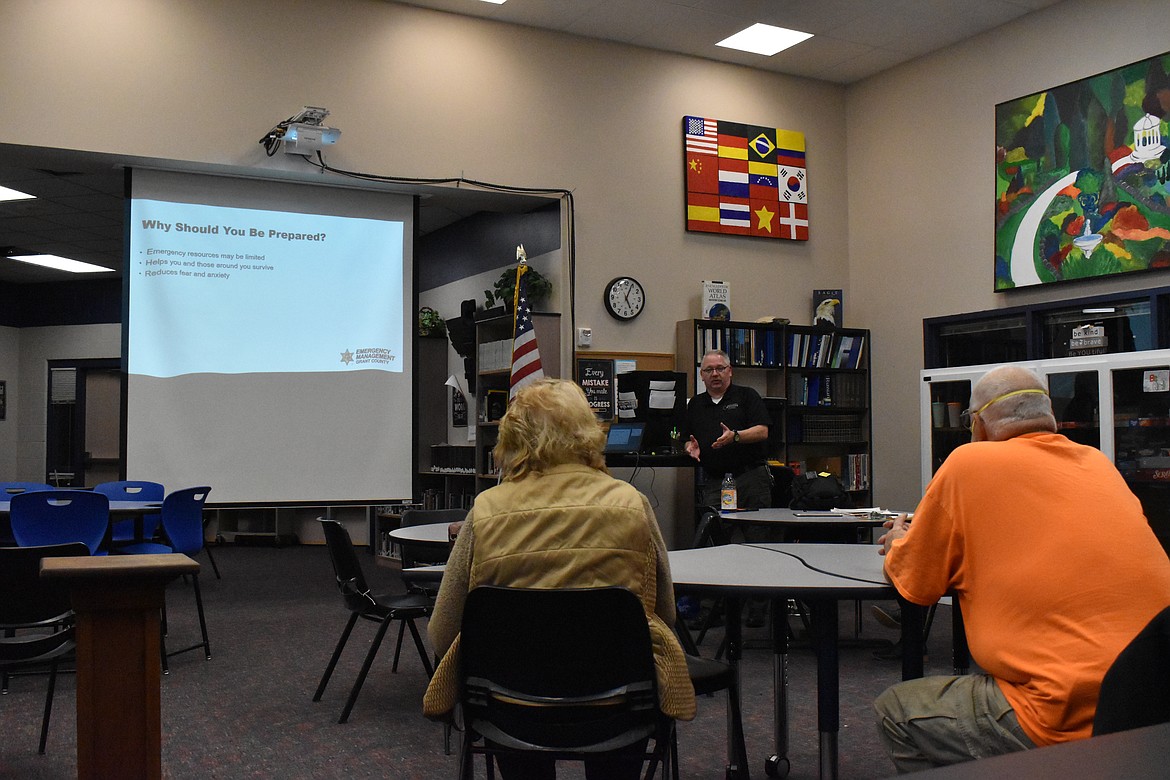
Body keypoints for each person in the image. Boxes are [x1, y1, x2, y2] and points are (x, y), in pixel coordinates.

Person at [874, 365, 1170, 773]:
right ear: (1048, 416)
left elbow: (918, 583)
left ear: (977, 424)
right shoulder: (1097, 463)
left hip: (1063, 712)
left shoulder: (967, 463)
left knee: (898, 711)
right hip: (1154, 702)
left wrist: (898, 542)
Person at [423, 378, 695, 780]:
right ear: (588, 432)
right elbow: (665, 614)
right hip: (620, 707)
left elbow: (443, 632)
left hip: (509, 710)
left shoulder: (486, 510)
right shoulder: (631, 505)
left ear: (512, 437)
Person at [683, 349, 773, 508]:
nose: (715, 374)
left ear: (730, 371)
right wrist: (689, 447)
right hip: (715, 481)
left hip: (750, 478)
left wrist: (735, 436)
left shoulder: (747, 396)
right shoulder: (695, 404)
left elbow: (762, 431)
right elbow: (686, 438)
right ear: (702, 375)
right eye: (709, 370)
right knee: (717, 528)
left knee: (756, 530)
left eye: (720, 368)